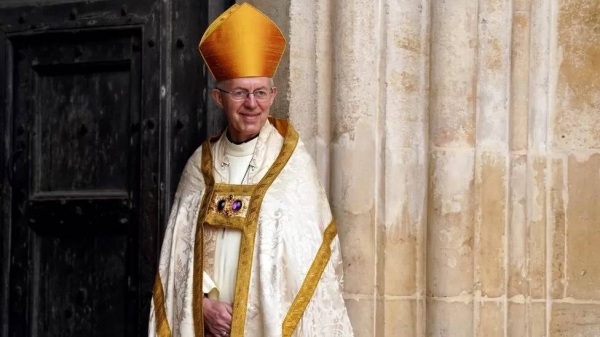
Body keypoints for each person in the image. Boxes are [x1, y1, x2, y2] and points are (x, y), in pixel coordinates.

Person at [148, 3, 353, 336]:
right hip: (208, 325)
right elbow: (179, 257)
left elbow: (308, 264)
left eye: (260, 92)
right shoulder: (199, 168)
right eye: (240, 92)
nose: (252, 104)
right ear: (218, 97)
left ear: (272, 96)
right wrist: (203, 305)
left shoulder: (292, 165)